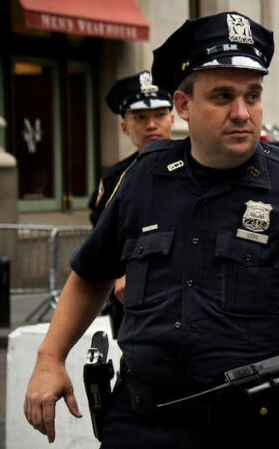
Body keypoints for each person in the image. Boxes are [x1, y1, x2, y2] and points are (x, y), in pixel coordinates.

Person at [23, 12, 279, 449]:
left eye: (252, 96)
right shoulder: (144, 178)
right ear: (183, 104)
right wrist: (50, 356)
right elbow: (91, 273)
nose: (242, 112)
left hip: (247, 442)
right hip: (138, 429)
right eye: (222, 97)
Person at [88, 70, 175, 337]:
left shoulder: (199, 167)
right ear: (124, 127)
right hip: (133, 304)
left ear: (173, 119)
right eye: (140, 117)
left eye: (160, 115)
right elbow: (103, 243)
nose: (151, 125)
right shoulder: (115, 179)